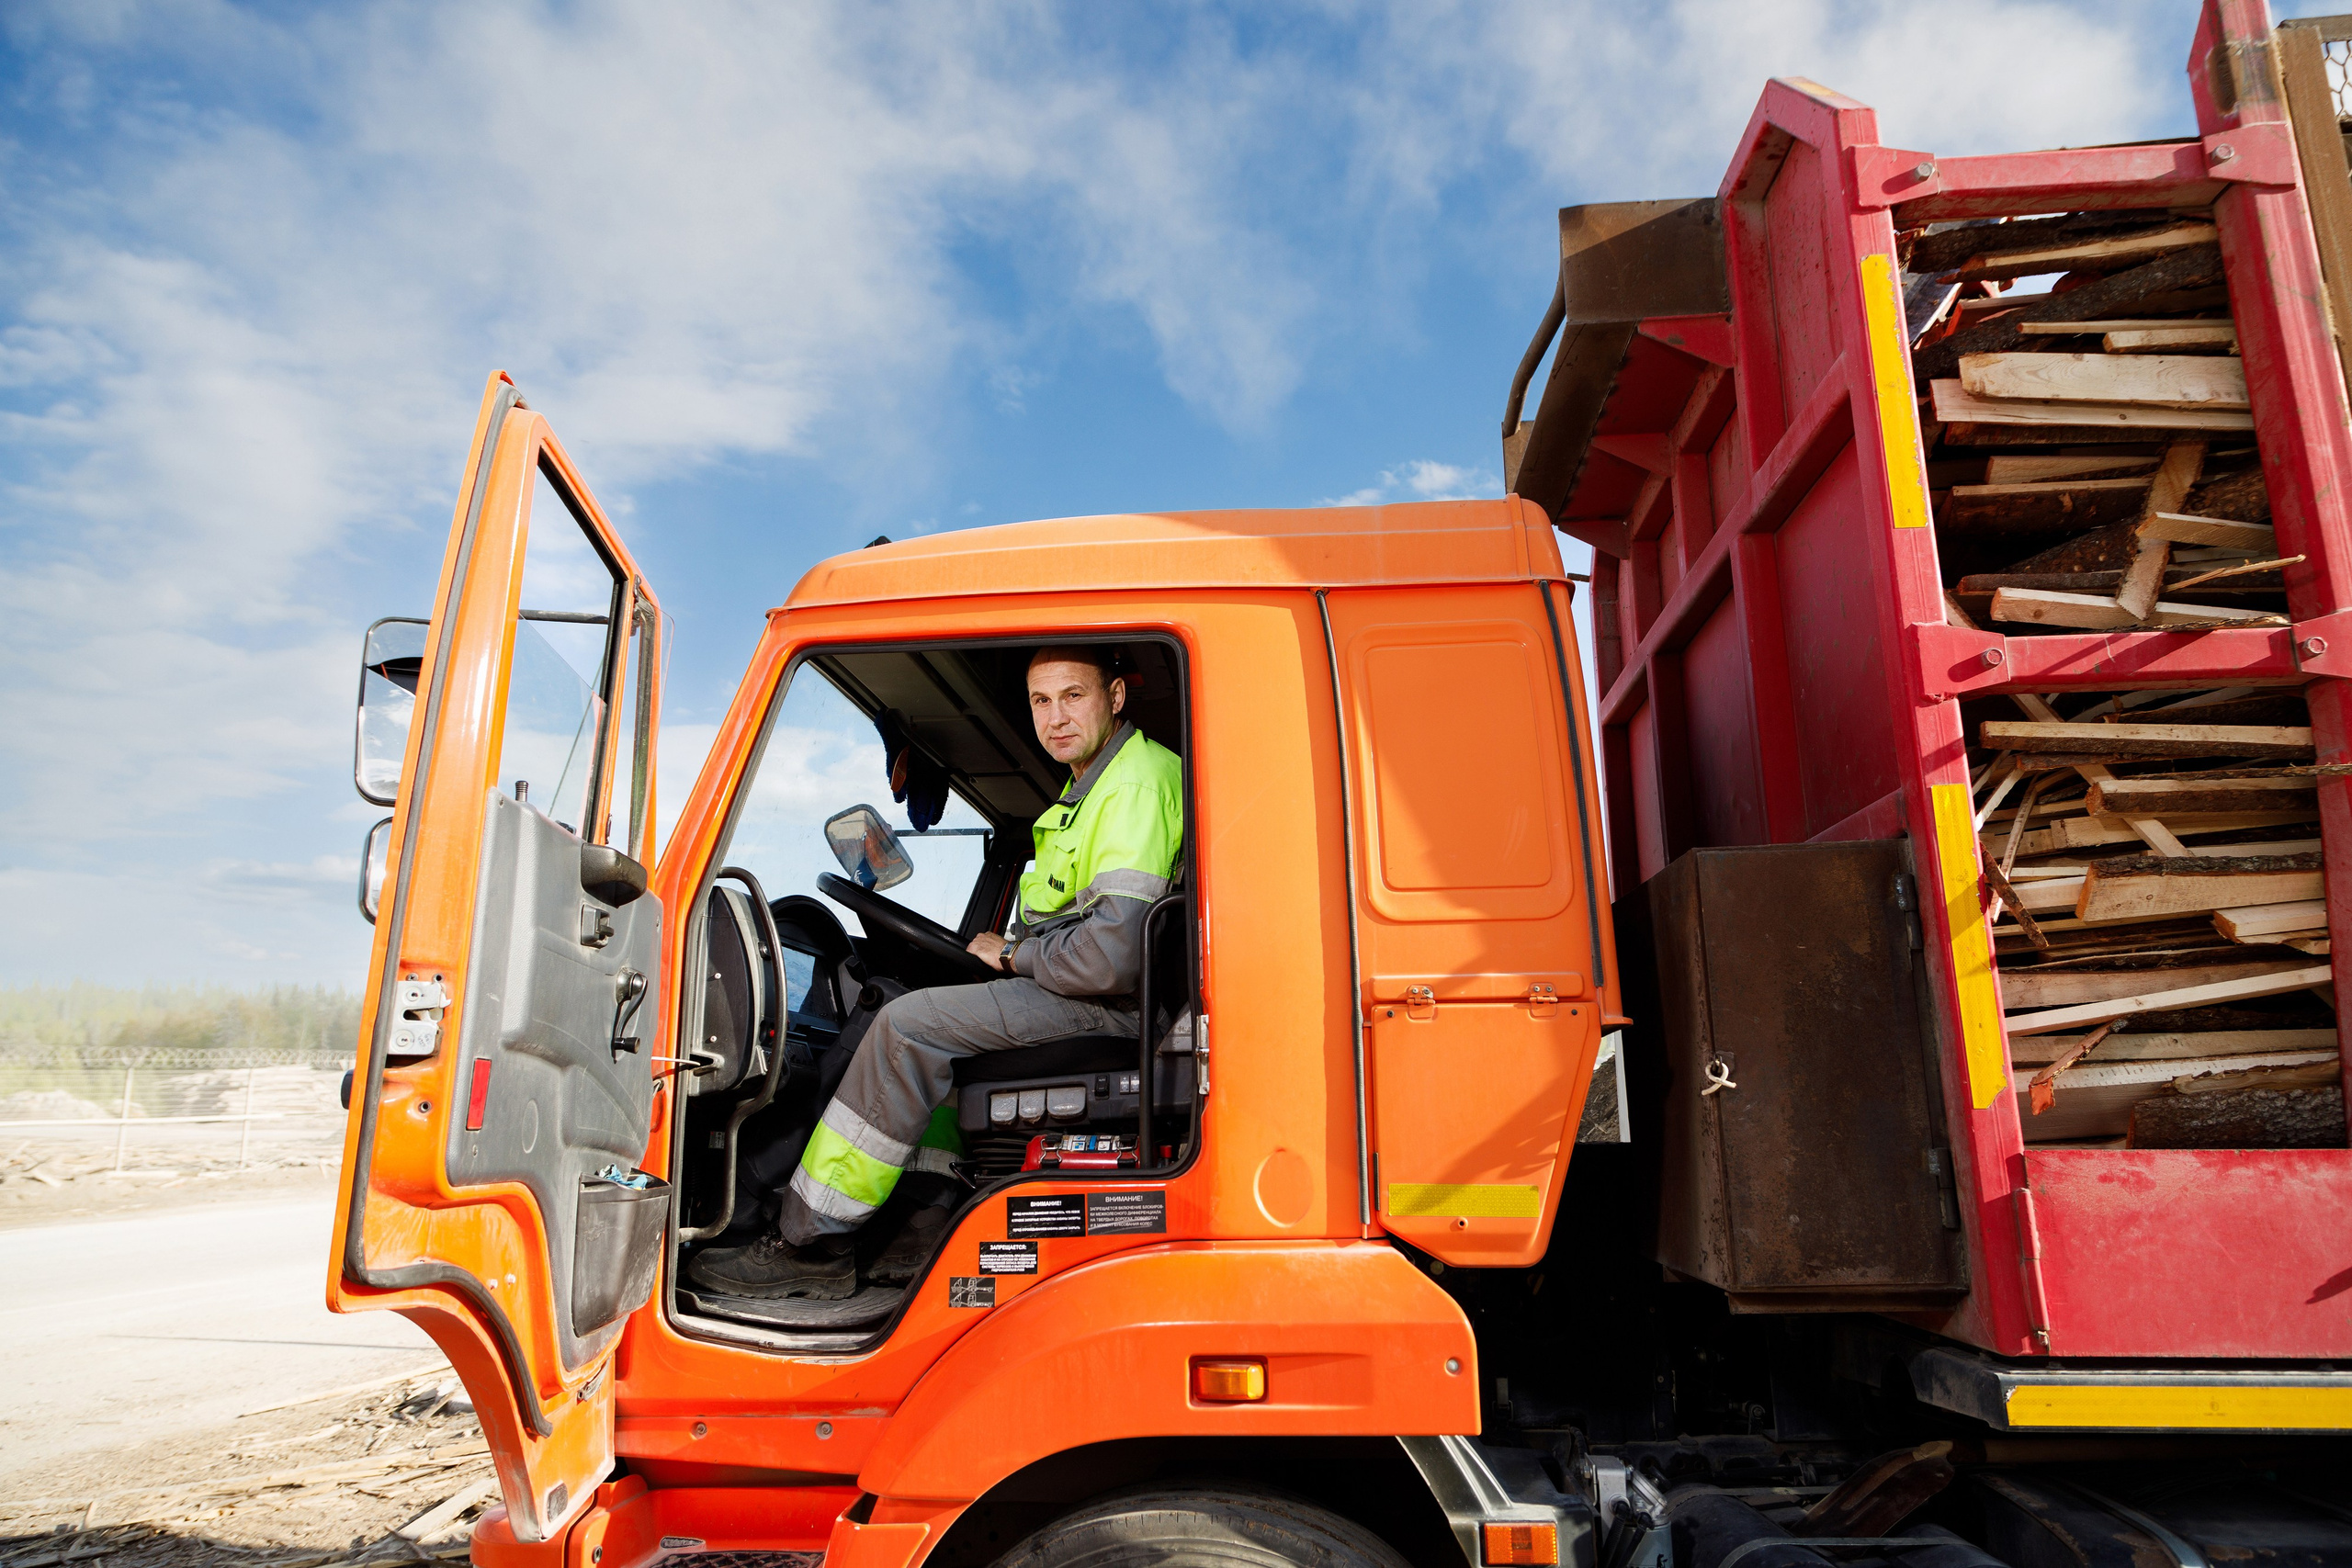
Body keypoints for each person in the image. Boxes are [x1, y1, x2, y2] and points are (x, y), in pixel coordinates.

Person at [687, 644, 1184, 1299]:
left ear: (1114, 697)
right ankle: (926, 1215)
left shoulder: (1134, 784)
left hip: (1109, 1006)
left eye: (1074, 695)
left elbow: (1110, 956)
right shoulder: (1093, 784)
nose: (1055, 716)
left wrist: (1010, 955)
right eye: (1041, 700)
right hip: (1088, 993)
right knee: (933, 1013)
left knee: (905, 1026)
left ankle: (812, 1243)